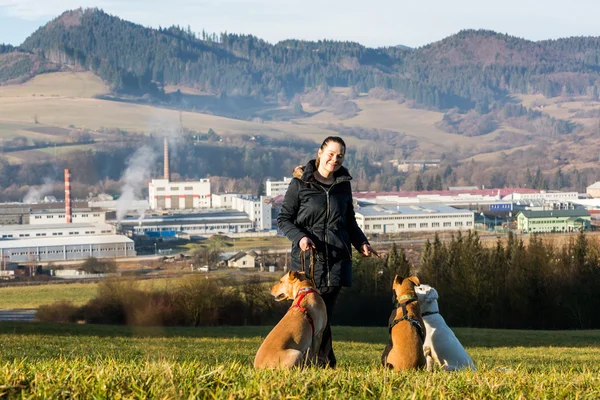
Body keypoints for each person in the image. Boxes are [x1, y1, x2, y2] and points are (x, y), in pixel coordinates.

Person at [277, 136, 379, 368]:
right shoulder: (299, 184)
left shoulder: (344, 185)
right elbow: (284, 219)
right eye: (331, 154)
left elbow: (349, 221)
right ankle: (318, 362)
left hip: (335, 261)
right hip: (307, 263)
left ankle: (322, 363)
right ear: (320, 153)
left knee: (324, 316)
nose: (334, 159)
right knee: (309, 317)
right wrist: (301, 237)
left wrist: (361, 242)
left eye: (340, 156)